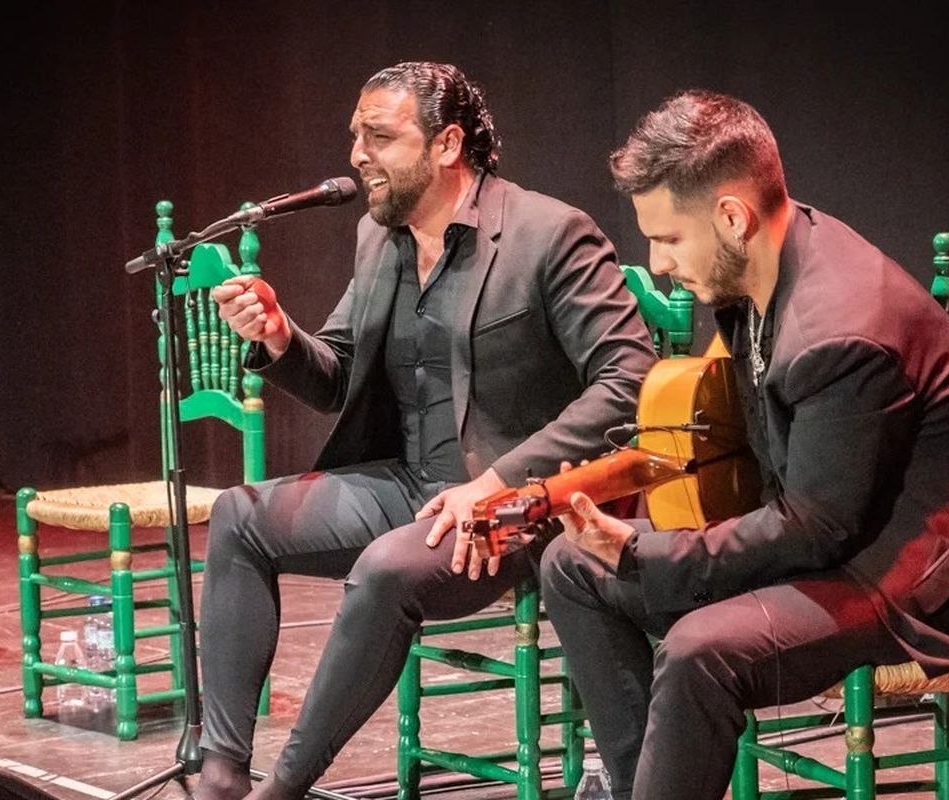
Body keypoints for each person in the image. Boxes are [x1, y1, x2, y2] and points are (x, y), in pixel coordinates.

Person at [540, 90, 949, 800]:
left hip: (921, 575)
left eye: (669, 239)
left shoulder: (840, 328)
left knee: (699, 650)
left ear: (732, 216)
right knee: (570, 566)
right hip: (845, 536)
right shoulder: (763, 260)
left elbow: (815, 527)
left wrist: (640, 550)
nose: (655, 264)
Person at [198, 62, 657, 799]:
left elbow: (630, 382)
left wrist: (503, 482)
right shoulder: (380, 241)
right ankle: (220, 774)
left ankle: (279, 793)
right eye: (355, 135)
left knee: (384, 567)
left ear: (447, 144)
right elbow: (339, 376)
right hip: (412, 485)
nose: (356, 154)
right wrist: (282, 336)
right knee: (237, 517)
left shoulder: (549, 233)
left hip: (519, 509)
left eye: (379, 136)